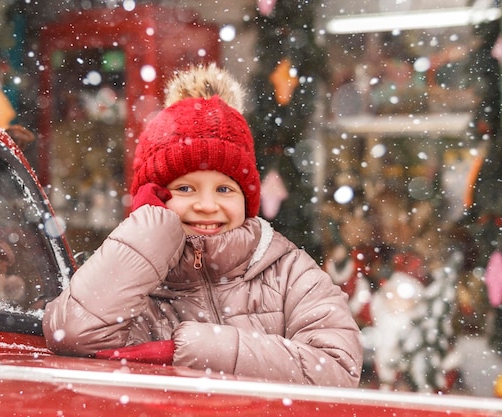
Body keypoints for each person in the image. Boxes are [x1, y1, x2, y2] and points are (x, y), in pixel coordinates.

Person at [42, 64, 363, 387]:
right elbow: (71, 334)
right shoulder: (135, 281)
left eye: (224, 189)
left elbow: (337, 370)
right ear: (154, 199)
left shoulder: (290, 271)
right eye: (185, 189)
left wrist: (200, 349)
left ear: (246, 200)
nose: (208, 206)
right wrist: (152, 232)